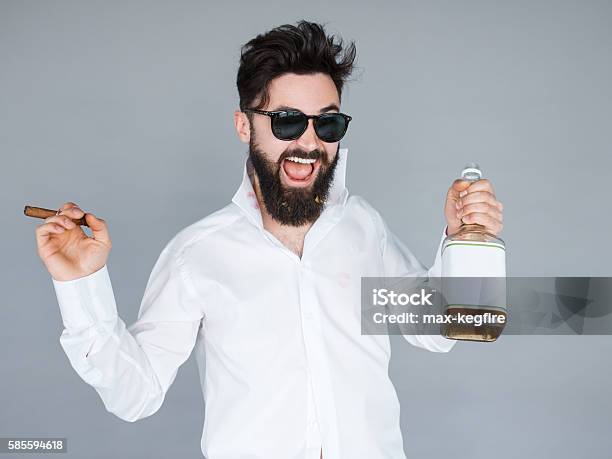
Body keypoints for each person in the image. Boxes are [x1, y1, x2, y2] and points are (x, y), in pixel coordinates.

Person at [35, 20, 503, 459]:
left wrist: (464, 241)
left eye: (328, 123)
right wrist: (83, 285)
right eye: (286, 121)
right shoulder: (197, 255)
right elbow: (134, 395)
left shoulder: (363, 228)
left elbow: (442, 329)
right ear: (245, 125)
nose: (308, 141)